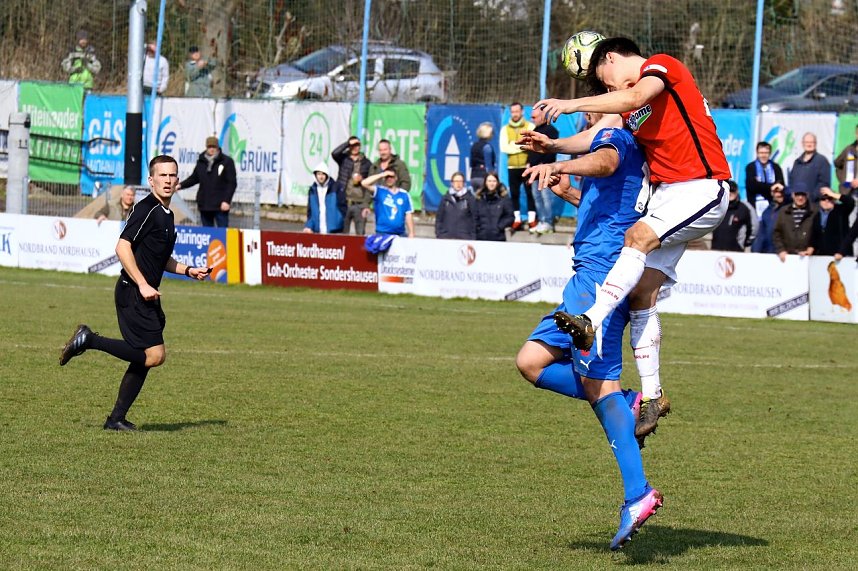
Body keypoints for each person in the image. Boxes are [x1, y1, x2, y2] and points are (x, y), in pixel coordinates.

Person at [520, 36, 731, 438]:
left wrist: (568, 104)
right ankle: (653, 396)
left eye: (605, 80)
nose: (608, 89)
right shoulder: (629, 108)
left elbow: (632, 96)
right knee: (642, 293)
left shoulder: (661, 67)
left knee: (636, 236)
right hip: (669, 196)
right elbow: (599, 132)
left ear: (612, 58)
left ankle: (591, 319)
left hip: (702, 186)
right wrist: (555, 145)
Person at [517, 126, 662, 551]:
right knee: (530, 361)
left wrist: (560, 162)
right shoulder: (616, 142)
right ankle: (628, 400)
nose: (584, 118)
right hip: (586, 274)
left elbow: (605, 160)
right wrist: (569, 193)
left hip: (600, 278)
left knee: (600, 387)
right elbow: (610, 211)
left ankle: (638, 494)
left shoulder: (616, 136)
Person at [59, 155, 211, 431]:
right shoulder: (147, 209)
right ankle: (89, 339)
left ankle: (116, 419)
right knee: (155, 355)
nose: (167, 180)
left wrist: (188, 270)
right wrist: (142, 283)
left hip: (146, 295)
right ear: (151, 180)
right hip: (133, 293)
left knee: (145, 357)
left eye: (172, 175)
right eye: (162, 175)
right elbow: (122, 246)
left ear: (178, 180)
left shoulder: (166, 214)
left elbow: (161, 258)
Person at [178, 136, 237, 227]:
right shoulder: (201, 161)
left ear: (218, 147)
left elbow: (231, 183)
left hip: (220, 205)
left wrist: (226, 201)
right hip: (204, 204)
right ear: (206, 147)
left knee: (222, 232)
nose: (211, 149)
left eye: (214, 147)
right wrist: (180, 185)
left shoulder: (227, 161)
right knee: (207, 232)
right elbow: (194, 178)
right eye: (209, 147)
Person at [500, 102, 536, 231]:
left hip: (527, 166)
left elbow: (532, 145)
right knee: (514, 193)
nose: (515, 114)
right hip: (512, 167)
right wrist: (521, 146)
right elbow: (504, 148)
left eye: (517, 111)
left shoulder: (530, 126)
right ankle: (517, 219)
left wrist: (513, 145)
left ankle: (532, 220)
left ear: (522, 112)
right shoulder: (505, 129)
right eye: (512, 112)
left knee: (530, 193)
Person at [528, 104, 559, 234]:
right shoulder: (535, 130)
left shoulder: (551, 131)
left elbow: (552, 150)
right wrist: (529, 163)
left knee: (546, 197)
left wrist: (543, 164)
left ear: (543, 116)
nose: (532, 119)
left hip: (545, 170)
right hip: (534, 170)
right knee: (537, 197)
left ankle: (548, 222)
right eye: (531, 117)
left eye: (534, 117)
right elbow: (531, 150)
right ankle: (541, 220)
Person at [331, 136, 372, 235]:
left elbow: (370, 183)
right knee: (342, 233)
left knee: (360, 235)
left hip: (359, 203)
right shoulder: (344, 159)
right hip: (344, 201)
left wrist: (362, 180)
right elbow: (334, 153)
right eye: (352, 145)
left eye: (357, 145)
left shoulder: (366, 163)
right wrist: (347, 143)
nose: (355, 147)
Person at [361, 170, 415, 238]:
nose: (389, 179)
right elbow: (364, 183)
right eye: (387, 177)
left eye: (391, 177)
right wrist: (382, 174)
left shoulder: (404, 194)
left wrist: (411, 233)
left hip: (400, 234)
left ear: (396, 178)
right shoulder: (380, 191)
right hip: (382, 233)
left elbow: (408, 214)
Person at [773, 184, 816, 262]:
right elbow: (777, 233)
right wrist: (781, 250)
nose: (800, 198)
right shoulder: (784, 211)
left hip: (808, 258)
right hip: (787, 257)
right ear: (793, 195)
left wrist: (812, 247)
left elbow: (818, 233)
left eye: (803, 195)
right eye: (797, 194)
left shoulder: (814, 212)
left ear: (807, 195)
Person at [711, 180, 755, 252]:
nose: (730, 193)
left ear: (737, 192)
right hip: (716, 249)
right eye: (728, 191)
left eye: (733, 191)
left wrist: (743, 243)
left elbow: (753, 229)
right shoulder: (718, 207)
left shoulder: (744, 208)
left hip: (736, 251)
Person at [303, 162, 346, 234]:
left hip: (334, 229)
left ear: (327, 175)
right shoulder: (312, 190)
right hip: (318, 229)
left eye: (323, 174)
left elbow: (343, 207)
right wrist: (309, 226)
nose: (321, 177)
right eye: (319, 174)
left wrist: (339, 220)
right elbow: (310, 212)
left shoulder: (336, 187)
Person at [810, 187, 855, 256]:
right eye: (823, 199)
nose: (826, 201)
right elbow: (814, 237)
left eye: (829, 198)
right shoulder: (816, 215)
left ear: (834, 199)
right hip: (822, 255)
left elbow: (850, 202)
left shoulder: (841, 211)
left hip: (840, 255)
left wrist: (832, 194)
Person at [744, 141, 785, 217]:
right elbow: (753, 186)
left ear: (770, 154)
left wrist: (760, 185)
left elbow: (780, 185)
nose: (763, 155)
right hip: (755, 205)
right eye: (761, 153)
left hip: (773, 206)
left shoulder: (776, 167)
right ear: (757, 153)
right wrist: (771, 187)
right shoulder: (751, 167)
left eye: (766, 153)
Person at [789, 133, 831, 203]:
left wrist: (812, 196)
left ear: (815, 144)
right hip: (796, 202)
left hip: (813, 204)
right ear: (802, 144)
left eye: (811, 142)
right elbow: (791, 180)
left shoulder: (821, 160)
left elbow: (824, 183)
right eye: (807, 142)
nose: (809, 144)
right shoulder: (797, 162)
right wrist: (793, 195)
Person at [435, 171, 478, 239]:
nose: (458, 184)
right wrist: (439, 234)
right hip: (446, 237)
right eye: (456, 181)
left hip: (464, 238)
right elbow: (439, 218)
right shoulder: (445, 199)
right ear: (451, 183)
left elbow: (475, 219)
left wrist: (472, 237)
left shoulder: (470, 198)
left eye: (460, 181)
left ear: (464, 183)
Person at [474, 172, 514, 241]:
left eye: (494, 181)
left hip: (498, 237)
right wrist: (479, 228)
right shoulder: (479, 198)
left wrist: (499, 226)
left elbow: (510, 216)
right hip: (481, 237)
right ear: (485, 182)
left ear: (497, 182)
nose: (491, 183)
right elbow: (474, 216)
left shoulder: (504, 198)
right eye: (489, 181)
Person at [752, 186, 791, 254]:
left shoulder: (789, 209)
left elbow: (793, 194)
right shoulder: (766, 212)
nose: (779, 194)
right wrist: (755, 252)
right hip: (770, 252)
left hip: (786, 253)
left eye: (781, 192)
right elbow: (761, 235)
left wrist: (784, 189)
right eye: (776, 192)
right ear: (772, 193)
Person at [469, 122, 496, 191]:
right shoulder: (487, 147)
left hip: (474, 177)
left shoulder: (474, 146)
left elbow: (471, 164)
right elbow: (489, 166)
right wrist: (492, 178)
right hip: (484, 177)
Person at [833, 125, 858, 193]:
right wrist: (843, 179)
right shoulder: (849, 149)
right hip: (847, 192)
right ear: (856, 134)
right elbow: (837, 164)